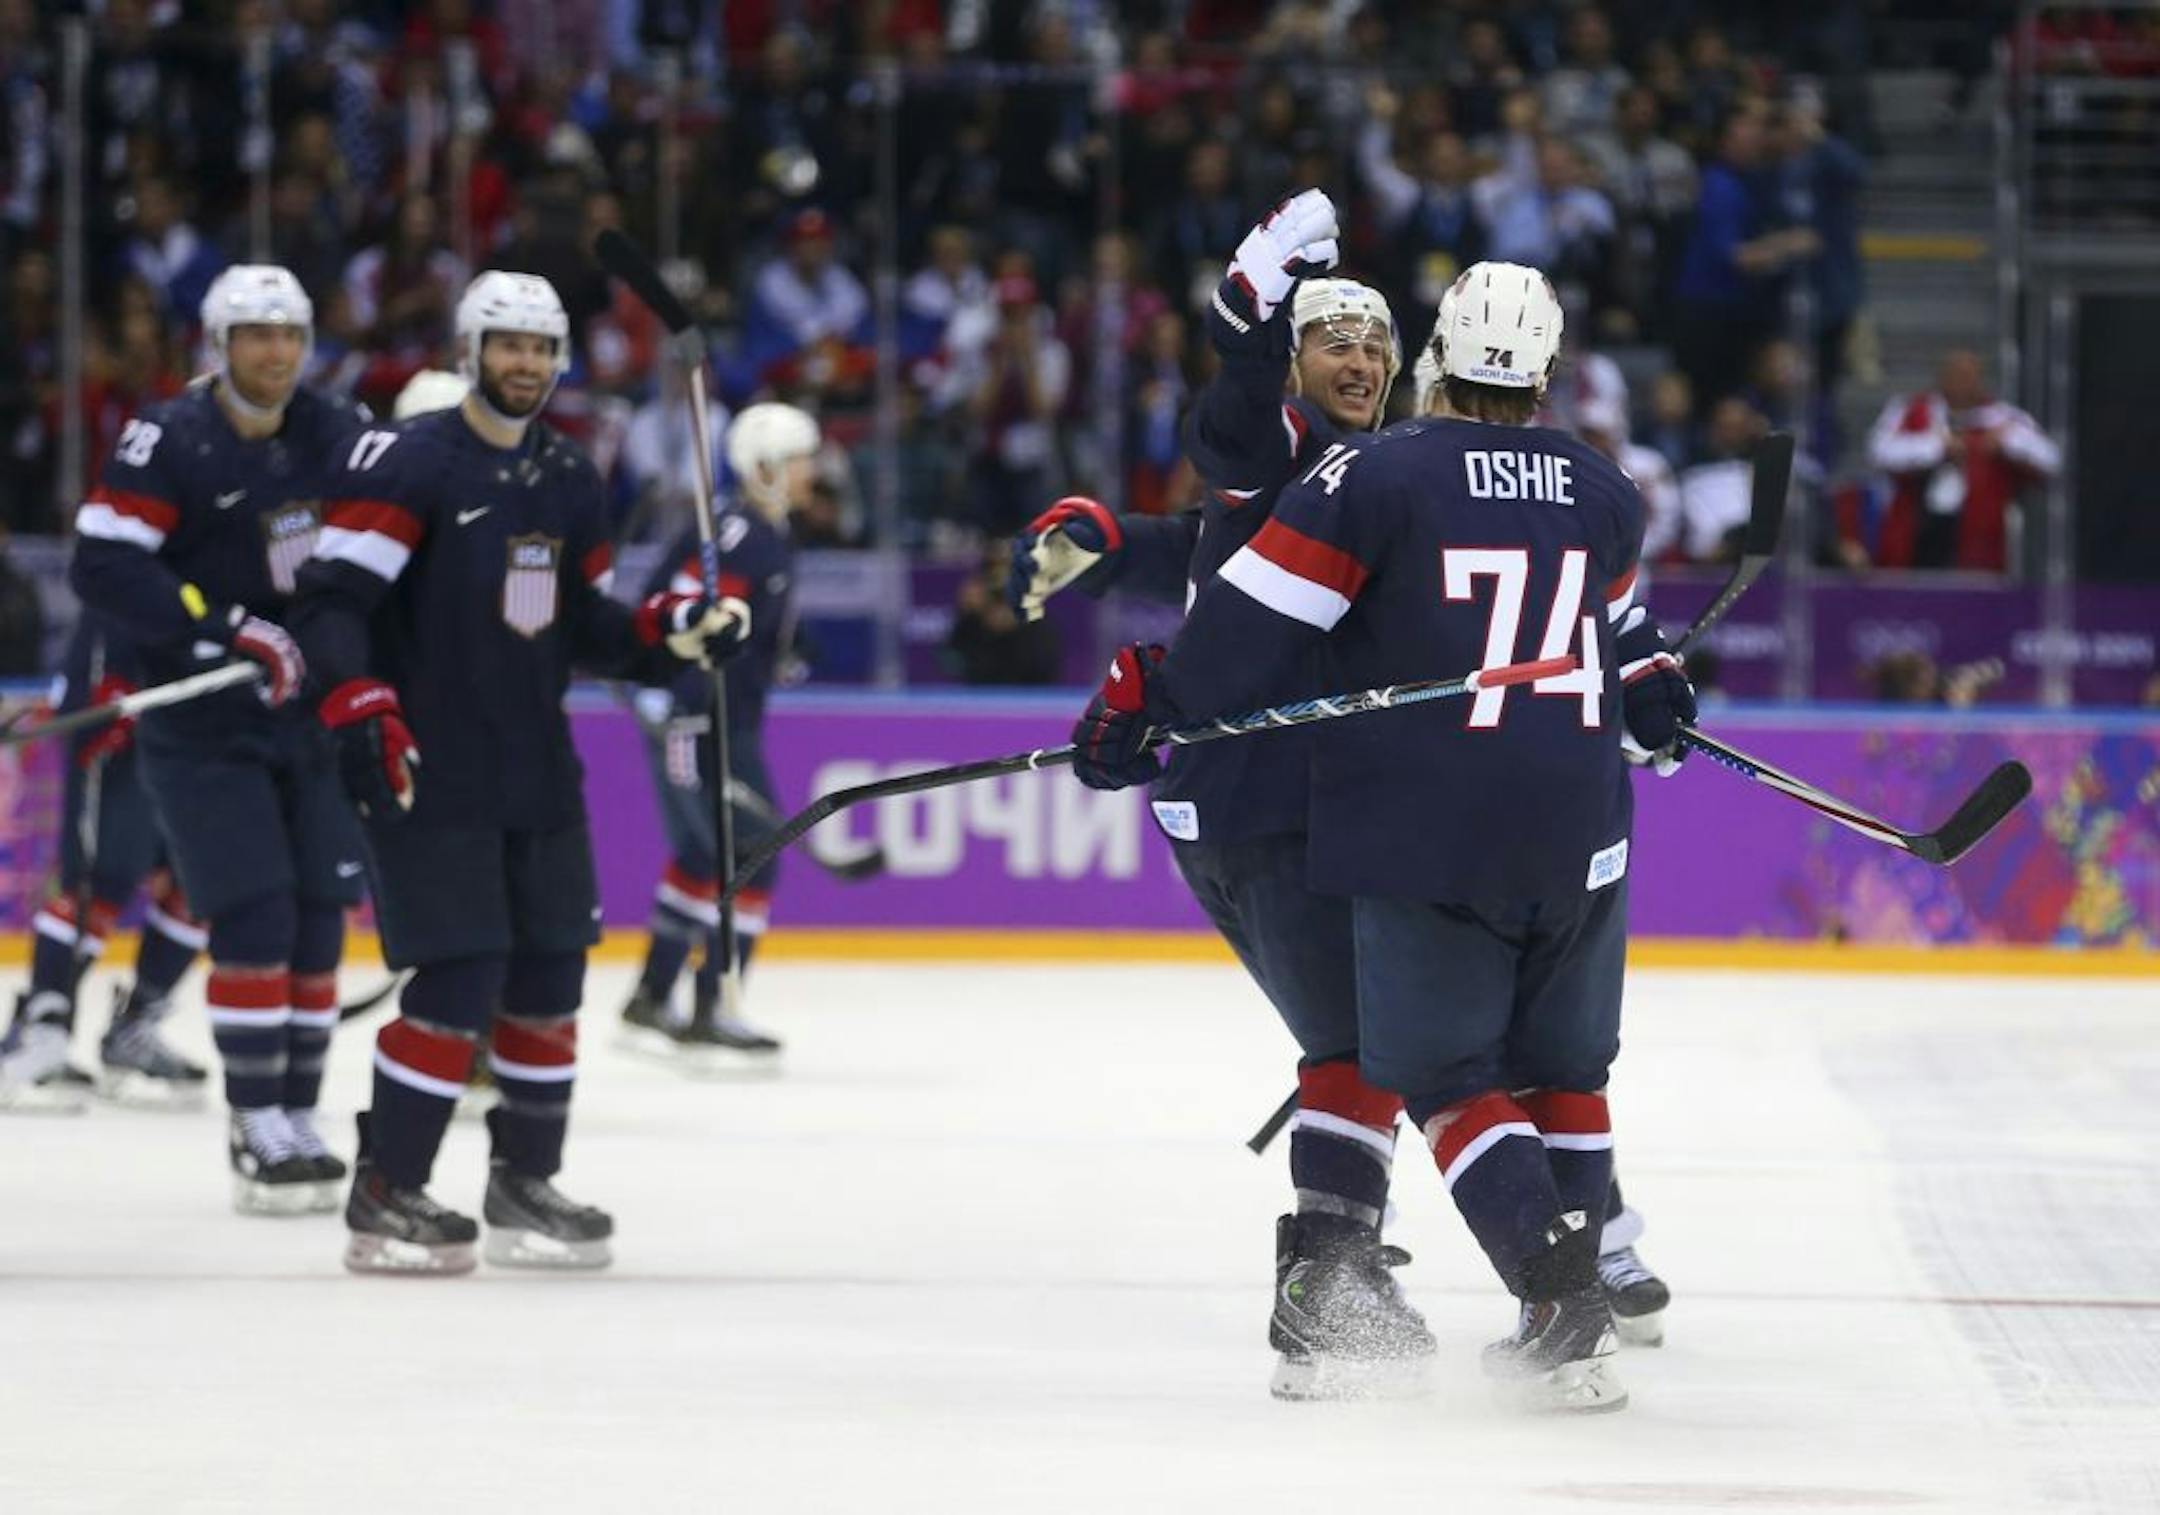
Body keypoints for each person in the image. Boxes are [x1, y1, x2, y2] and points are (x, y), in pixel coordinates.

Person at [1066, 263, 1698, 1413]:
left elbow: (1244, 634)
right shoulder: (1603, 485)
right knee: (1559, 1065)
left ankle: (1553, 1298)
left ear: (1429, 361)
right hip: (1582, 822)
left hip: (1424, 819)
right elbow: (1624, 631)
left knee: (1436, 1072)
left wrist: (1146, 689)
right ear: (1548, 372)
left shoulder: (1375, 469)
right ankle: (1576, 1263)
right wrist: (1656, 686)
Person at [1014, 191, 1437, 1401]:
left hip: (1292, 795)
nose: (1358, 359)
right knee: (1363, 1041)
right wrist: (1246, 318)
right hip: (1256, 796)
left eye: (1374, 344)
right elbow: (1233, 435)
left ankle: (1340, 1252)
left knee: (1367, 1035)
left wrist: (1105, 532)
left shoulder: (1362, 473)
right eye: (1331, 341)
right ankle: (1324, 1281)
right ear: (1297, 362)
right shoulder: (1285, 446)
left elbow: (1207, 542)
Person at [289, 271, 750, 1275]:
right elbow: (328, 603)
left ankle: (523, 1179)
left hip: (535, 766)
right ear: (470, 350)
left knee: (548, 978)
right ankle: (388, 1188)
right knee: (456, 982)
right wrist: (359, 704)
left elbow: (583, 625)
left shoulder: (567, 477)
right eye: (508, 346)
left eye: (542, 350)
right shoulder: (409, 463)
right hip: (431, 766)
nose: (526, 366)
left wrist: (673, 632)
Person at [69, 264, 371, 1212]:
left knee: (321, 916)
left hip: (308, 715)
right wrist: (220, 625)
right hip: (202, 720)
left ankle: (300, 1110)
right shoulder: (169, 437)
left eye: (288, 333)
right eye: (254, 334)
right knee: (256, 912)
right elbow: (105, 564)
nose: (275, 352)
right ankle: (255, 1121)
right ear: (218, 344)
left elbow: (386, 543)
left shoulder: (336, 431)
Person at [619, 402, 813, 1062]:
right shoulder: (741, 537)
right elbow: (684, 617)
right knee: (754, 851)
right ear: (762, 469)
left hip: (719, 718)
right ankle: (713, 1004)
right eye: (798, 462)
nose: (811, 473)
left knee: (707, 855)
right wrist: (682, 700)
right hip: (705, 721)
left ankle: (652, 996)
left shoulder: (753, 532)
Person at [0, 615, 207, 1114]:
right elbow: (111, 557)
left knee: (202, 879)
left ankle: (135, 1029)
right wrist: (109, 678)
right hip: (126, 686)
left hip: (203, 708)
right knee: (103, 875)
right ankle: (42, 1030)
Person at [1863, 349, 2061, 572]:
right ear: (1942, 378)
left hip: (1979, 534)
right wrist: (1938, 448)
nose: (1962, 383)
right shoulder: (1910, 410)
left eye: (1969, 377)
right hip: (1918, 525)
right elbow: (1878, 452)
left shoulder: (2002, 417)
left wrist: (2006, 442)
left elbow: (2051, 459)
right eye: (1955, 375)